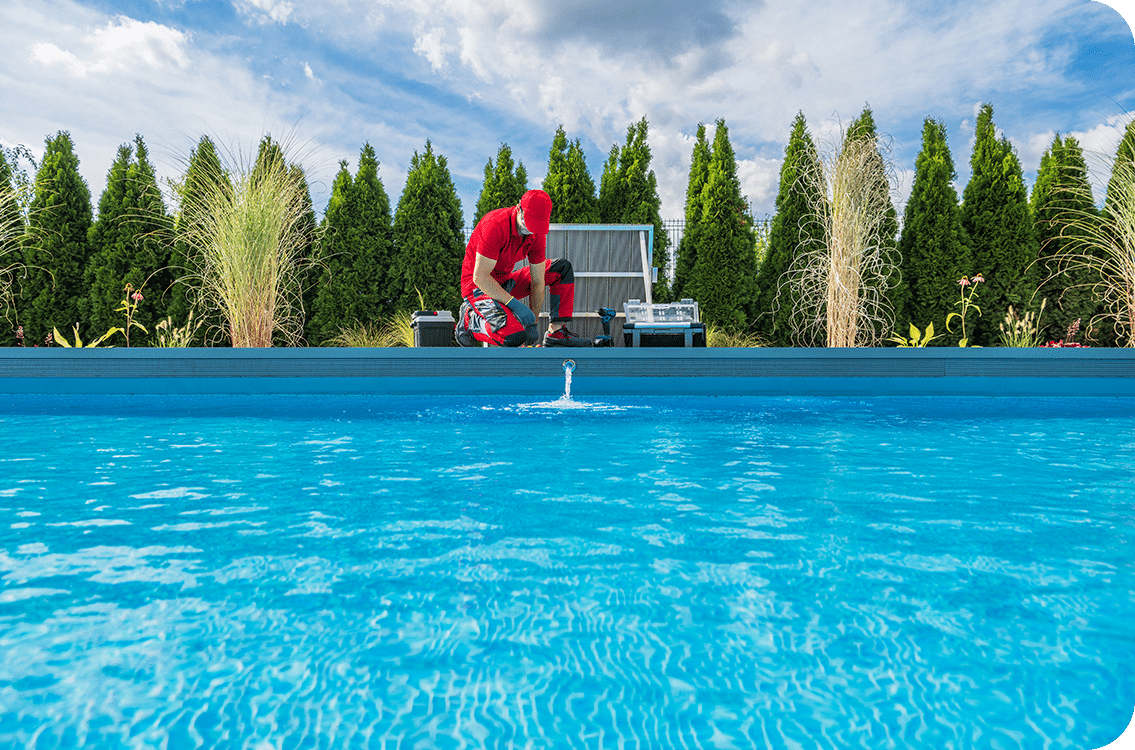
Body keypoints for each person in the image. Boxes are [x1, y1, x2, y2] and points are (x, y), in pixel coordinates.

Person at [456, 189, 592, 347]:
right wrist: (514, 305)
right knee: (514, 337)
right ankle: (470, 322)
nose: (531, 230)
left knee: (561, 269)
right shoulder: (494, 224)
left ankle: (556, 333)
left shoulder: (536, 232)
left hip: (505, 283)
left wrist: (531, 323)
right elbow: (480, 277)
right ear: (519, 208)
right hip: (478, 288)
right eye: (529, 222)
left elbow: (537, 281)